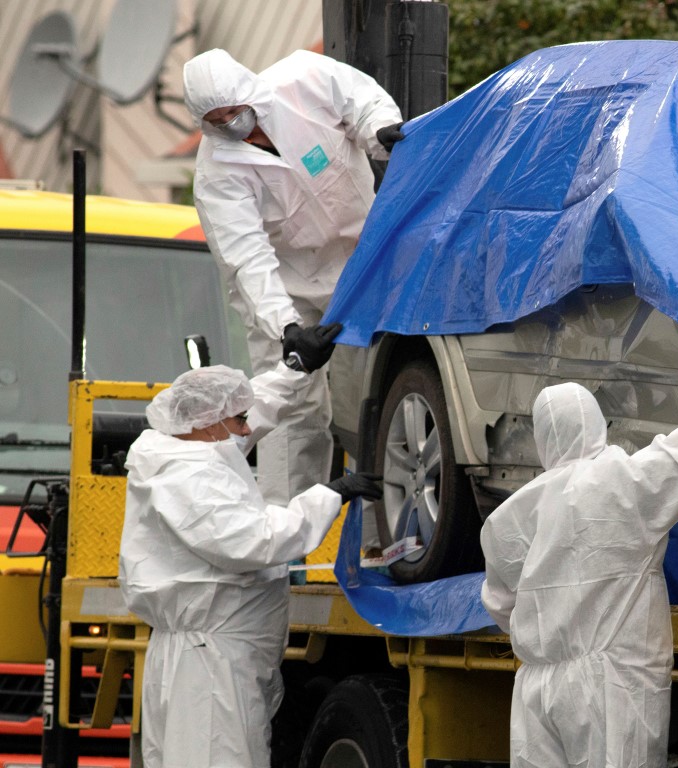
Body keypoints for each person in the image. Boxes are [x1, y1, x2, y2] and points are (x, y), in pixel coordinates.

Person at [480, 340, 678, 767]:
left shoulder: (507, 519)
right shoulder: (619, 484)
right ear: (597, 424)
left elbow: (502, 607)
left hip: (537, 689)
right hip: (610, 686)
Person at [118, 329, 383, 768]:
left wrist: (294, 370)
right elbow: (256, 540)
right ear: (207, 422)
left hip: (204, 658)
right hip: (210, 670)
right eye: (237, 420)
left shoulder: (182, 448)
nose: (246, 430)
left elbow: (244, 414)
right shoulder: (190, 478)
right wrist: (330, 494)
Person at [181, 48, 404, 522]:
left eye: (236, 113)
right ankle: (283, 538)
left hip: (363, 269)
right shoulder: (217, 173)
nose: (234, 125)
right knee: (290, 409)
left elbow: (363, 103)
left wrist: (380, 131)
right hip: (287, 292)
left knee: (371, 395)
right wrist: (287, 329)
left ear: (252, 94)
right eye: (219, 121)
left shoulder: (306, 78)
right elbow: (247, 257)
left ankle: (378, 534)